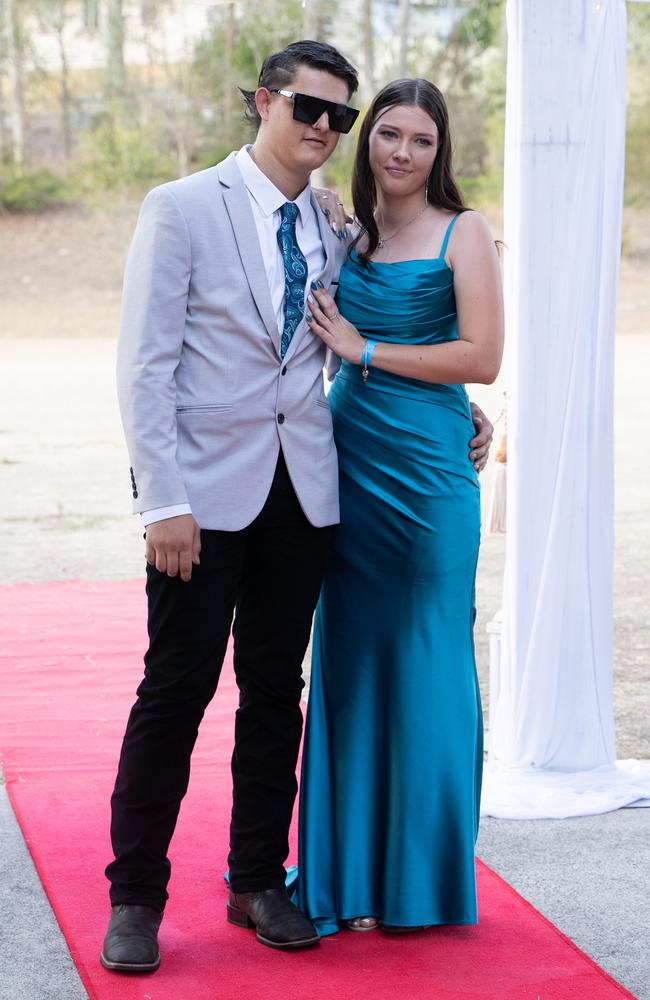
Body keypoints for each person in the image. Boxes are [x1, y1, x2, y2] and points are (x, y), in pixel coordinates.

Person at [101, 42, 494, 972]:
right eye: (306, 108)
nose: (323, 127)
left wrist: (455, 407)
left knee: (278, 694)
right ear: (263, 103)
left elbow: (389, 331)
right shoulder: (183, 206)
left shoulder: (332, 225)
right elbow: (144, 366)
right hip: (201, 500)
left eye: (339, 117)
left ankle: (255, 880)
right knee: (177, 692)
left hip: (310, 495)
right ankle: (135, 898)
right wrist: (162, 499)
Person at [297, 77, 504, 935]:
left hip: (427, 480)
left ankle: (420, 881)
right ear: (366, 142)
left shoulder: (465, 231)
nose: (403, 153)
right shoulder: (346, 233)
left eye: (420, 139)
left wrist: (365, 348)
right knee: (349, 662)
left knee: (426, 661)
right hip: (345, 469)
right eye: (388, 135)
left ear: (439, 149)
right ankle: (345, 875)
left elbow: (482, 355)